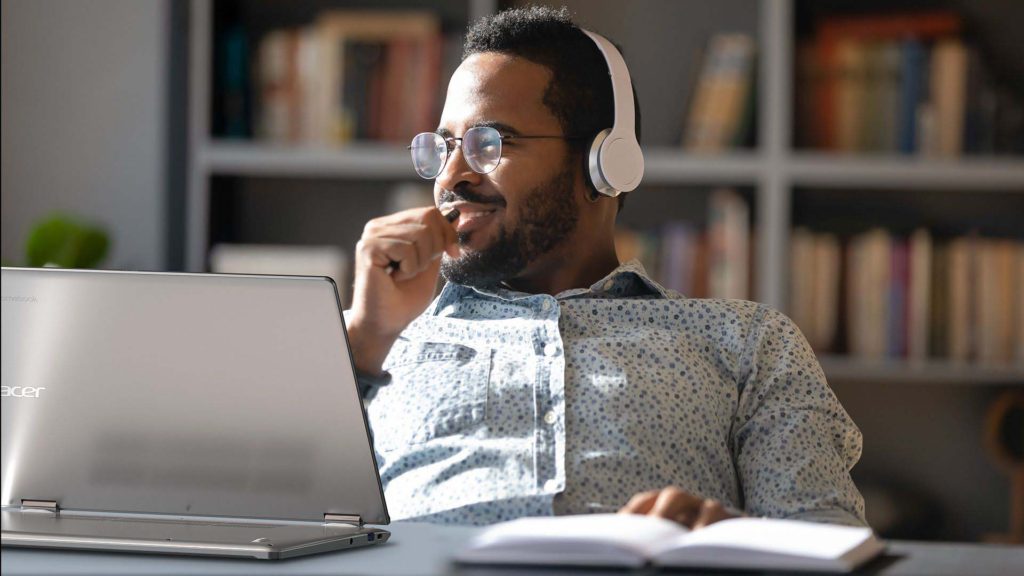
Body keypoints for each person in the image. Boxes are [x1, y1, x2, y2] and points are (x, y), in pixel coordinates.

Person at [345, 6, 866, 529]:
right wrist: (366, 339)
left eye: (489, 145)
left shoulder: (748, 342)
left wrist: (730, 538)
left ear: (605, 161)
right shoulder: (378, 345)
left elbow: (827, 543)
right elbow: (287, 527)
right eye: (444, 148)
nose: (450, 177)